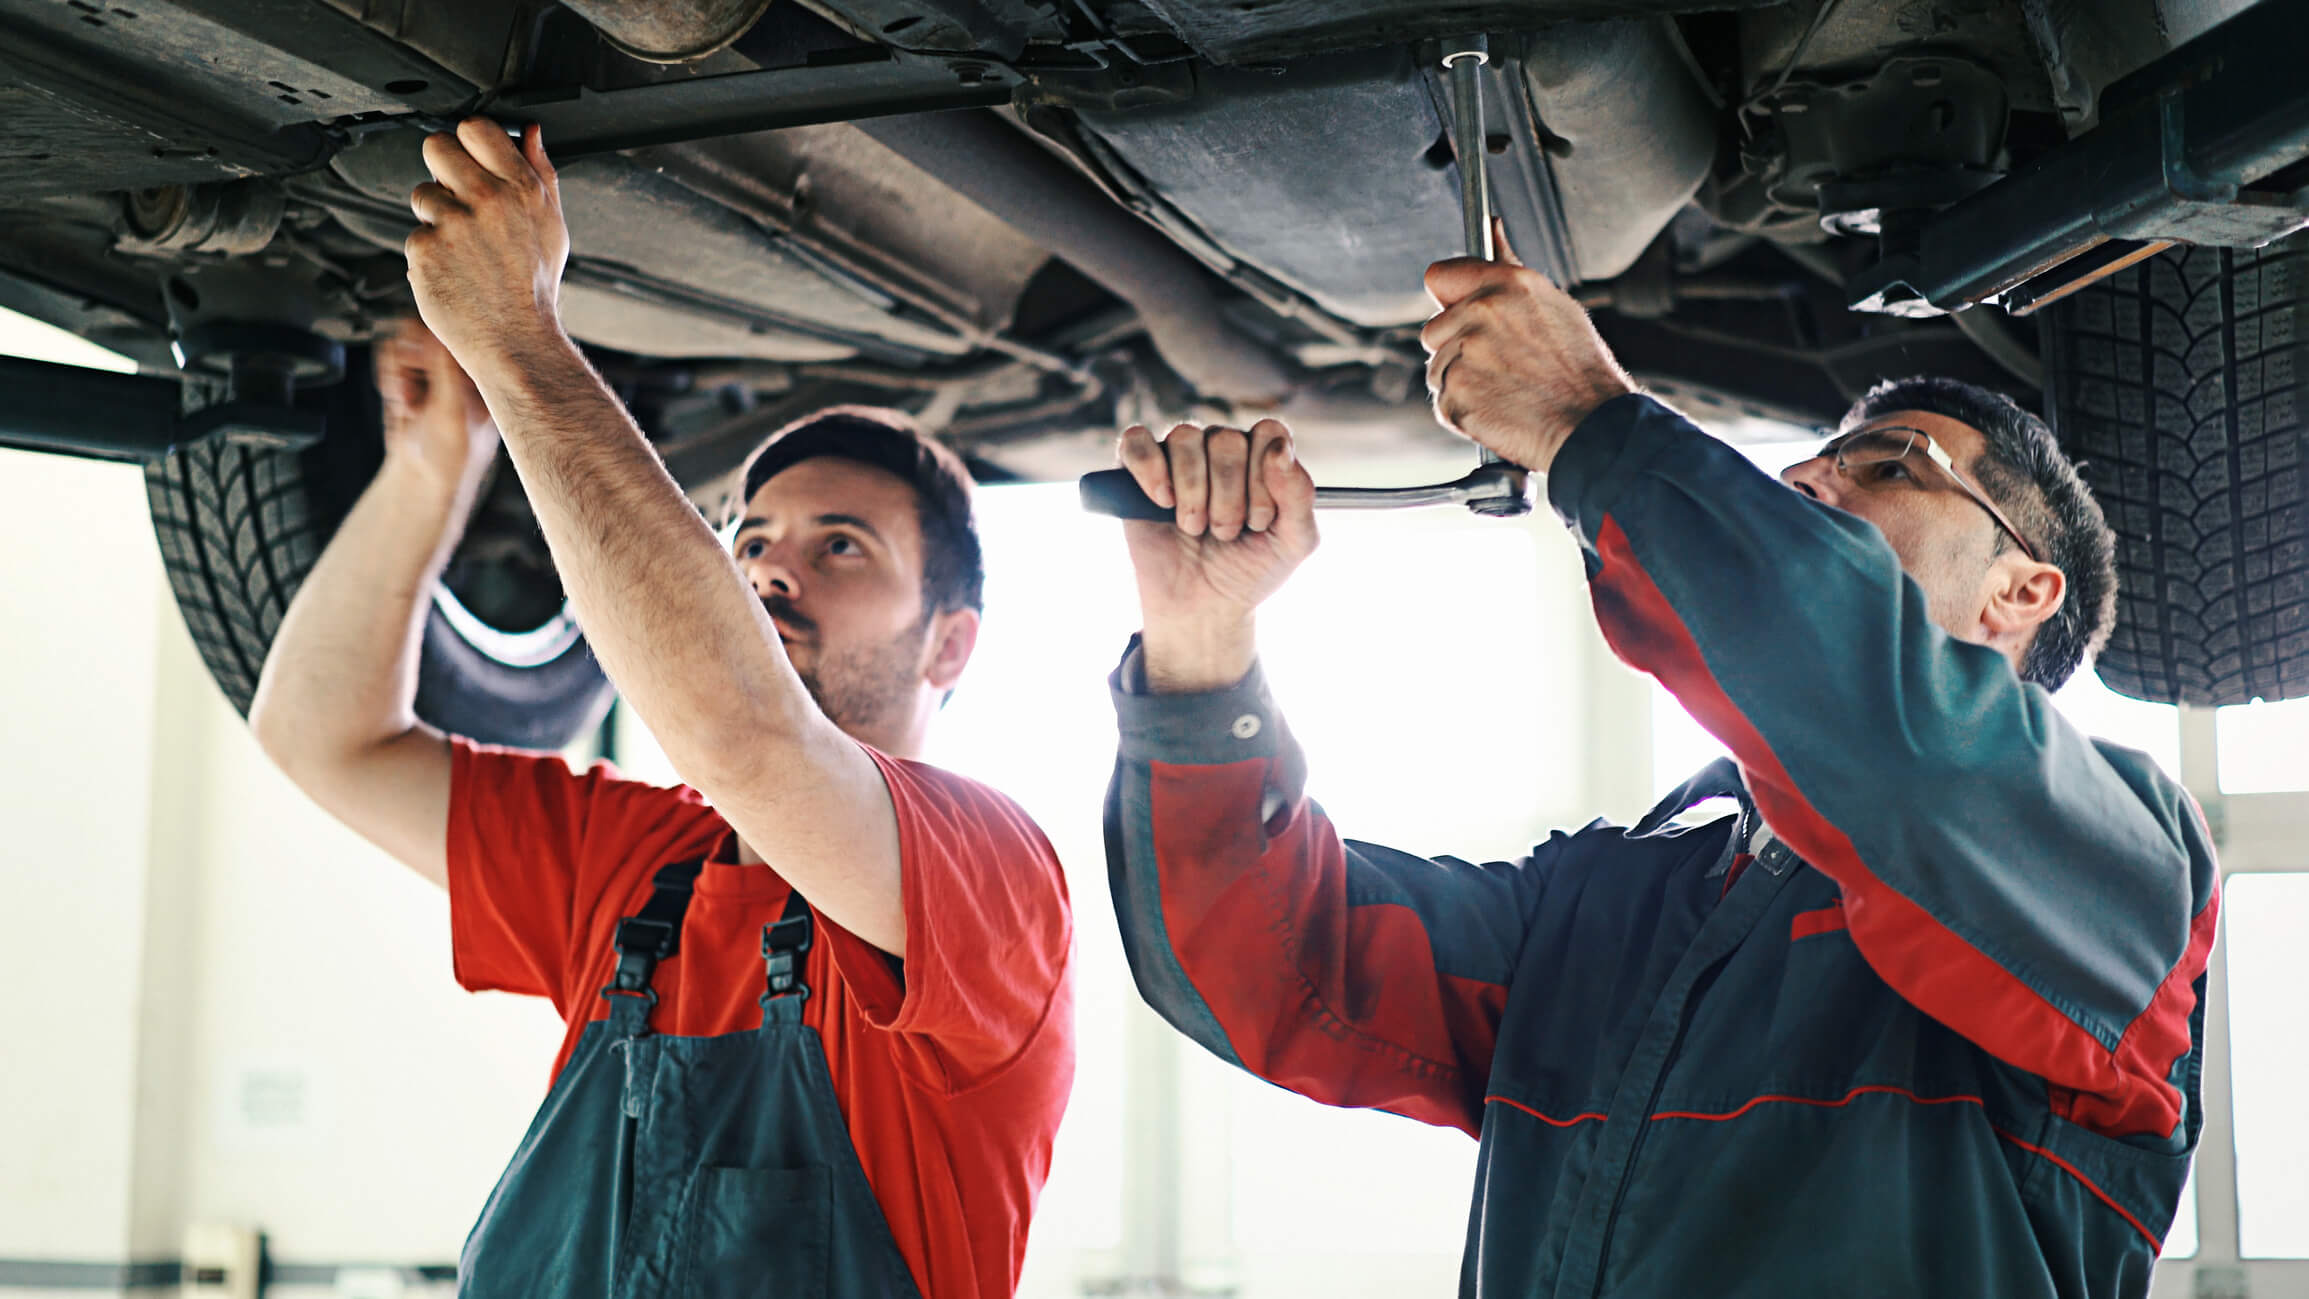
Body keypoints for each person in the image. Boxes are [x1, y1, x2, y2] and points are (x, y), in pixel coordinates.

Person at [1100, 228, 2218, 1298]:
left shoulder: (2117, 861)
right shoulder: (1612, 894)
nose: (1809, 486)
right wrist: (1200, 646)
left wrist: (1593, 425)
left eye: (1890, 466)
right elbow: (1273, 967)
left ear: (2020, 590)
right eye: (1805, 469)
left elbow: (1889, 745)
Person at [249, 118, 1074, 1299]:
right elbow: (323, 738)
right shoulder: (637, 866)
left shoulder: (985, 873)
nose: (774, 570)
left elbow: (741, 737)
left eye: (843, 547)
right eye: (751, 540)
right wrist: (434, 465)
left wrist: (520, 342)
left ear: (951, 643)